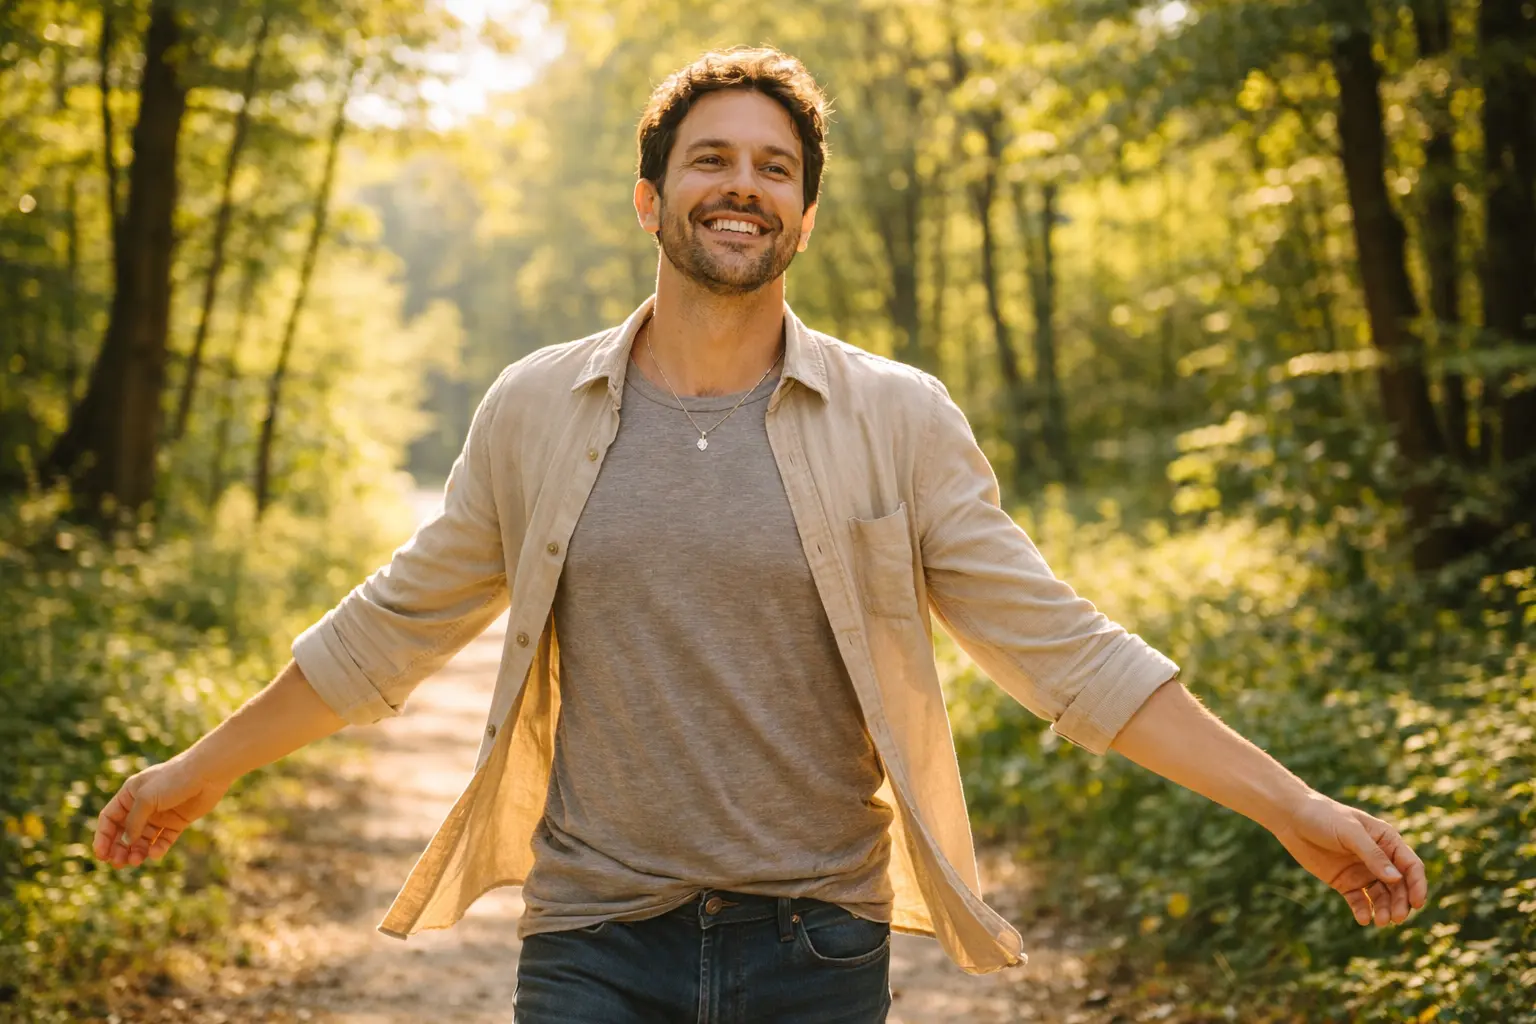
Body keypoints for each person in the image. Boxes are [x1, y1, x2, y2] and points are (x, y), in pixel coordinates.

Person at [93, 46, 1428, 1023]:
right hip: (592, 941)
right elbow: (390, 627)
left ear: (804, 213)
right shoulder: (538, 410)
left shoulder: (895, 419)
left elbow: (1065, 654)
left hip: (817, 948)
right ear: (649, 199)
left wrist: (1292, 809)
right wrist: (202, 771)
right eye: (713, 161)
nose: (744, 186)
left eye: (775, 169)